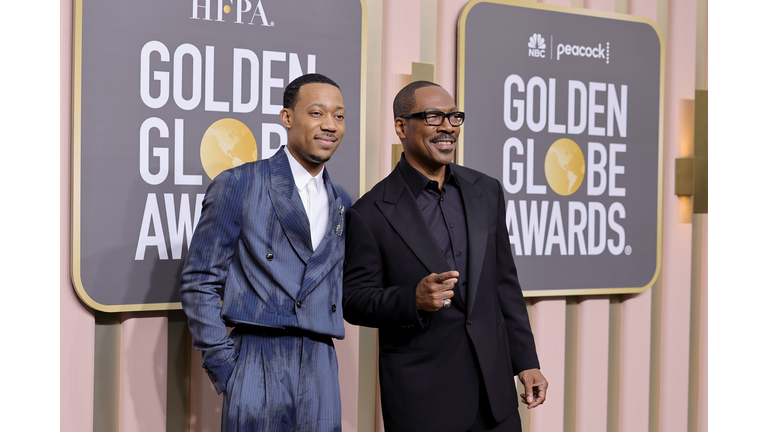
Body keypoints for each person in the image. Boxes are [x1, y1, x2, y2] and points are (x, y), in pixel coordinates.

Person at [342, 81, 548, 432]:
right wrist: (413, 299)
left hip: (494, 395)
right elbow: (354, 300)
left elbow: (504, 284)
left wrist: (525, 361)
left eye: (454, 117)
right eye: (434, 116)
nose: (448, 127)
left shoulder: (487, 190)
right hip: (424, 401)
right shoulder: (370, 211)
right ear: (401, 126)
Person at [180, 73, 351, 432]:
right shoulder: (240, 184)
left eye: (339, 116)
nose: (330, 125)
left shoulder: (342, 203)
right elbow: (199, 281)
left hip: (321, 365)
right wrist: (227, 367)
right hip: (257, 356)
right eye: (317, 113)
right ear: (287, 117)